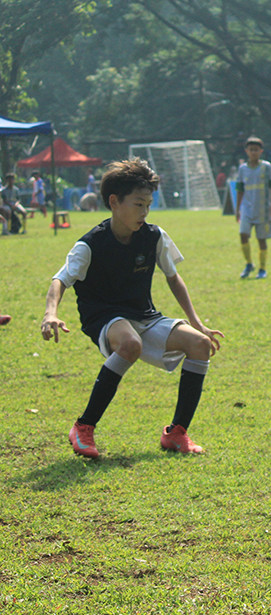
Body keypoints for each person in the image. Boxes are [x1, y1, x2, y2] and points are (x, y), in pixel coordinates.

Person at [40, 157, 224, 459]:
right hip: (104, 317)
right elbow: (60, 280)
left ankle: (176, 433)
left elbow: (173, 279)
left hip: (145, 315)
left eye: (148, 205)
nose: (145, 212)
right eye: (138, 204)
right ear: (114, 202)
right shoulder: (90, 245)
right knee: (129, 344)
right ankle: (83, 427)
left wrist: (196, 322)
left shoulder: (153, 236)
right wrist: (51, 313)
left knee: (201, 345)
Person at [235, 136, 271, 279]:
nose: (253, 152)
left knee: (262, 240)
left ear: (261, 151)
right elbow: (240, 189)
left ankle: (262, 268)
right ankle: (249, 263)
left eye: (256, 150)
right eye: (251, 150)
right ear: (246, 151)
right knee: (243, 235)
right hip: (247, 209)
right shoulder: (242, 169)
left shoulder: (266, 167)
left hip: (263, 210)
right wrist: (237, 209)